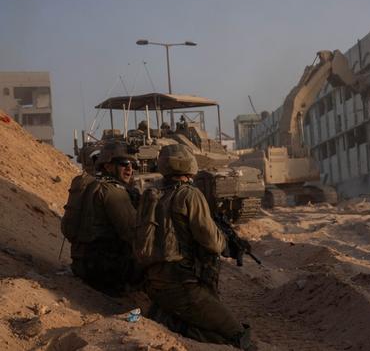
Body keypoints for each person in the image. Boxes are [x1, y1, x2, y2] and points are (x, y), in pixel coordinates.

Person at [143, 144, 253, 349]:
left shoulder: (151, 195)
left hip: (154, 283)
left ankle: (168, 317)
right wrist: (228, 244)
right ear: (189, 165)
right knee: (238, 335)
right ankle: (171, 323)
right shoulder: (189, 195)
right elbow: (212, 242)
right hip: (183, 286)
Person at [67, 141, 139, 296]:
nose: (129, 169)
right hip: (105, 271)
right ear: (108, 166)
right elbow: (134, 234)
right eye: (124, 163)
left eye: (133, 165)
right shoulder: (113, 192)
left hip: (82, 264)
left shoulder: (91, 185)